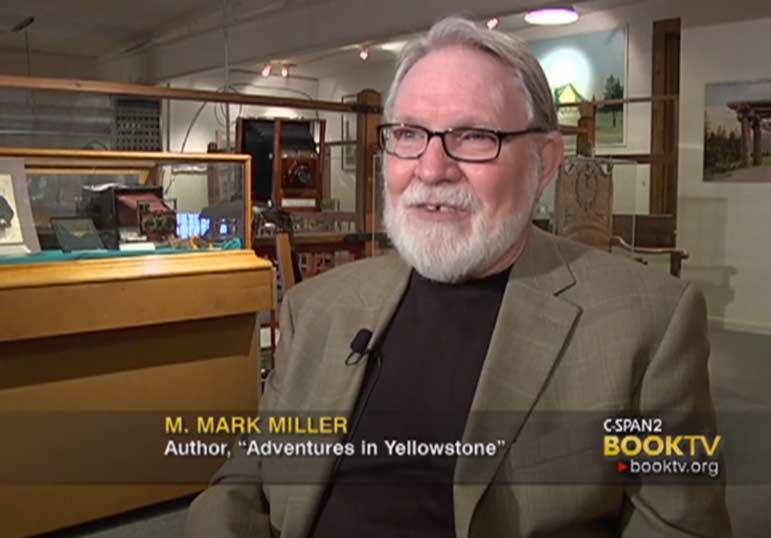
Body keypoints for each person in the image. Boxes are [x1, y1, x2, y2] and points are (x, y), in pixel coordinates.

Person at [186, 16, 732, 538]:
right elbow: (245, 480)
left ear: (544, 161)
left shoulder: (648, 325)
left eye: (473, 136)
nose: (430, 168)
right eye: (408, 134)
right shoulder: (317, 309)